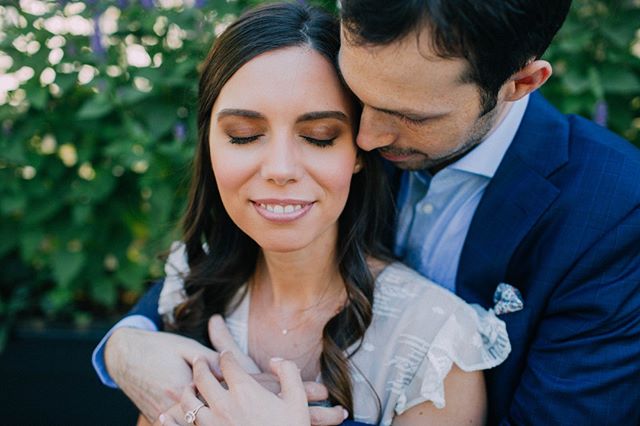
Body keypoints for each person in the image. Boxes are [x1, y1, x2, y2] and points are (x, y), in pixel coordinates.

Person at [95, 0, 640, 424]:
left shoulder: (611, 212)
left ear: (519, 84)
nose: (368, 137)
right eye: (357, 96)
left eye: (408, 116)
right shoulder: (349, 97)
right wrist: (124, 346)